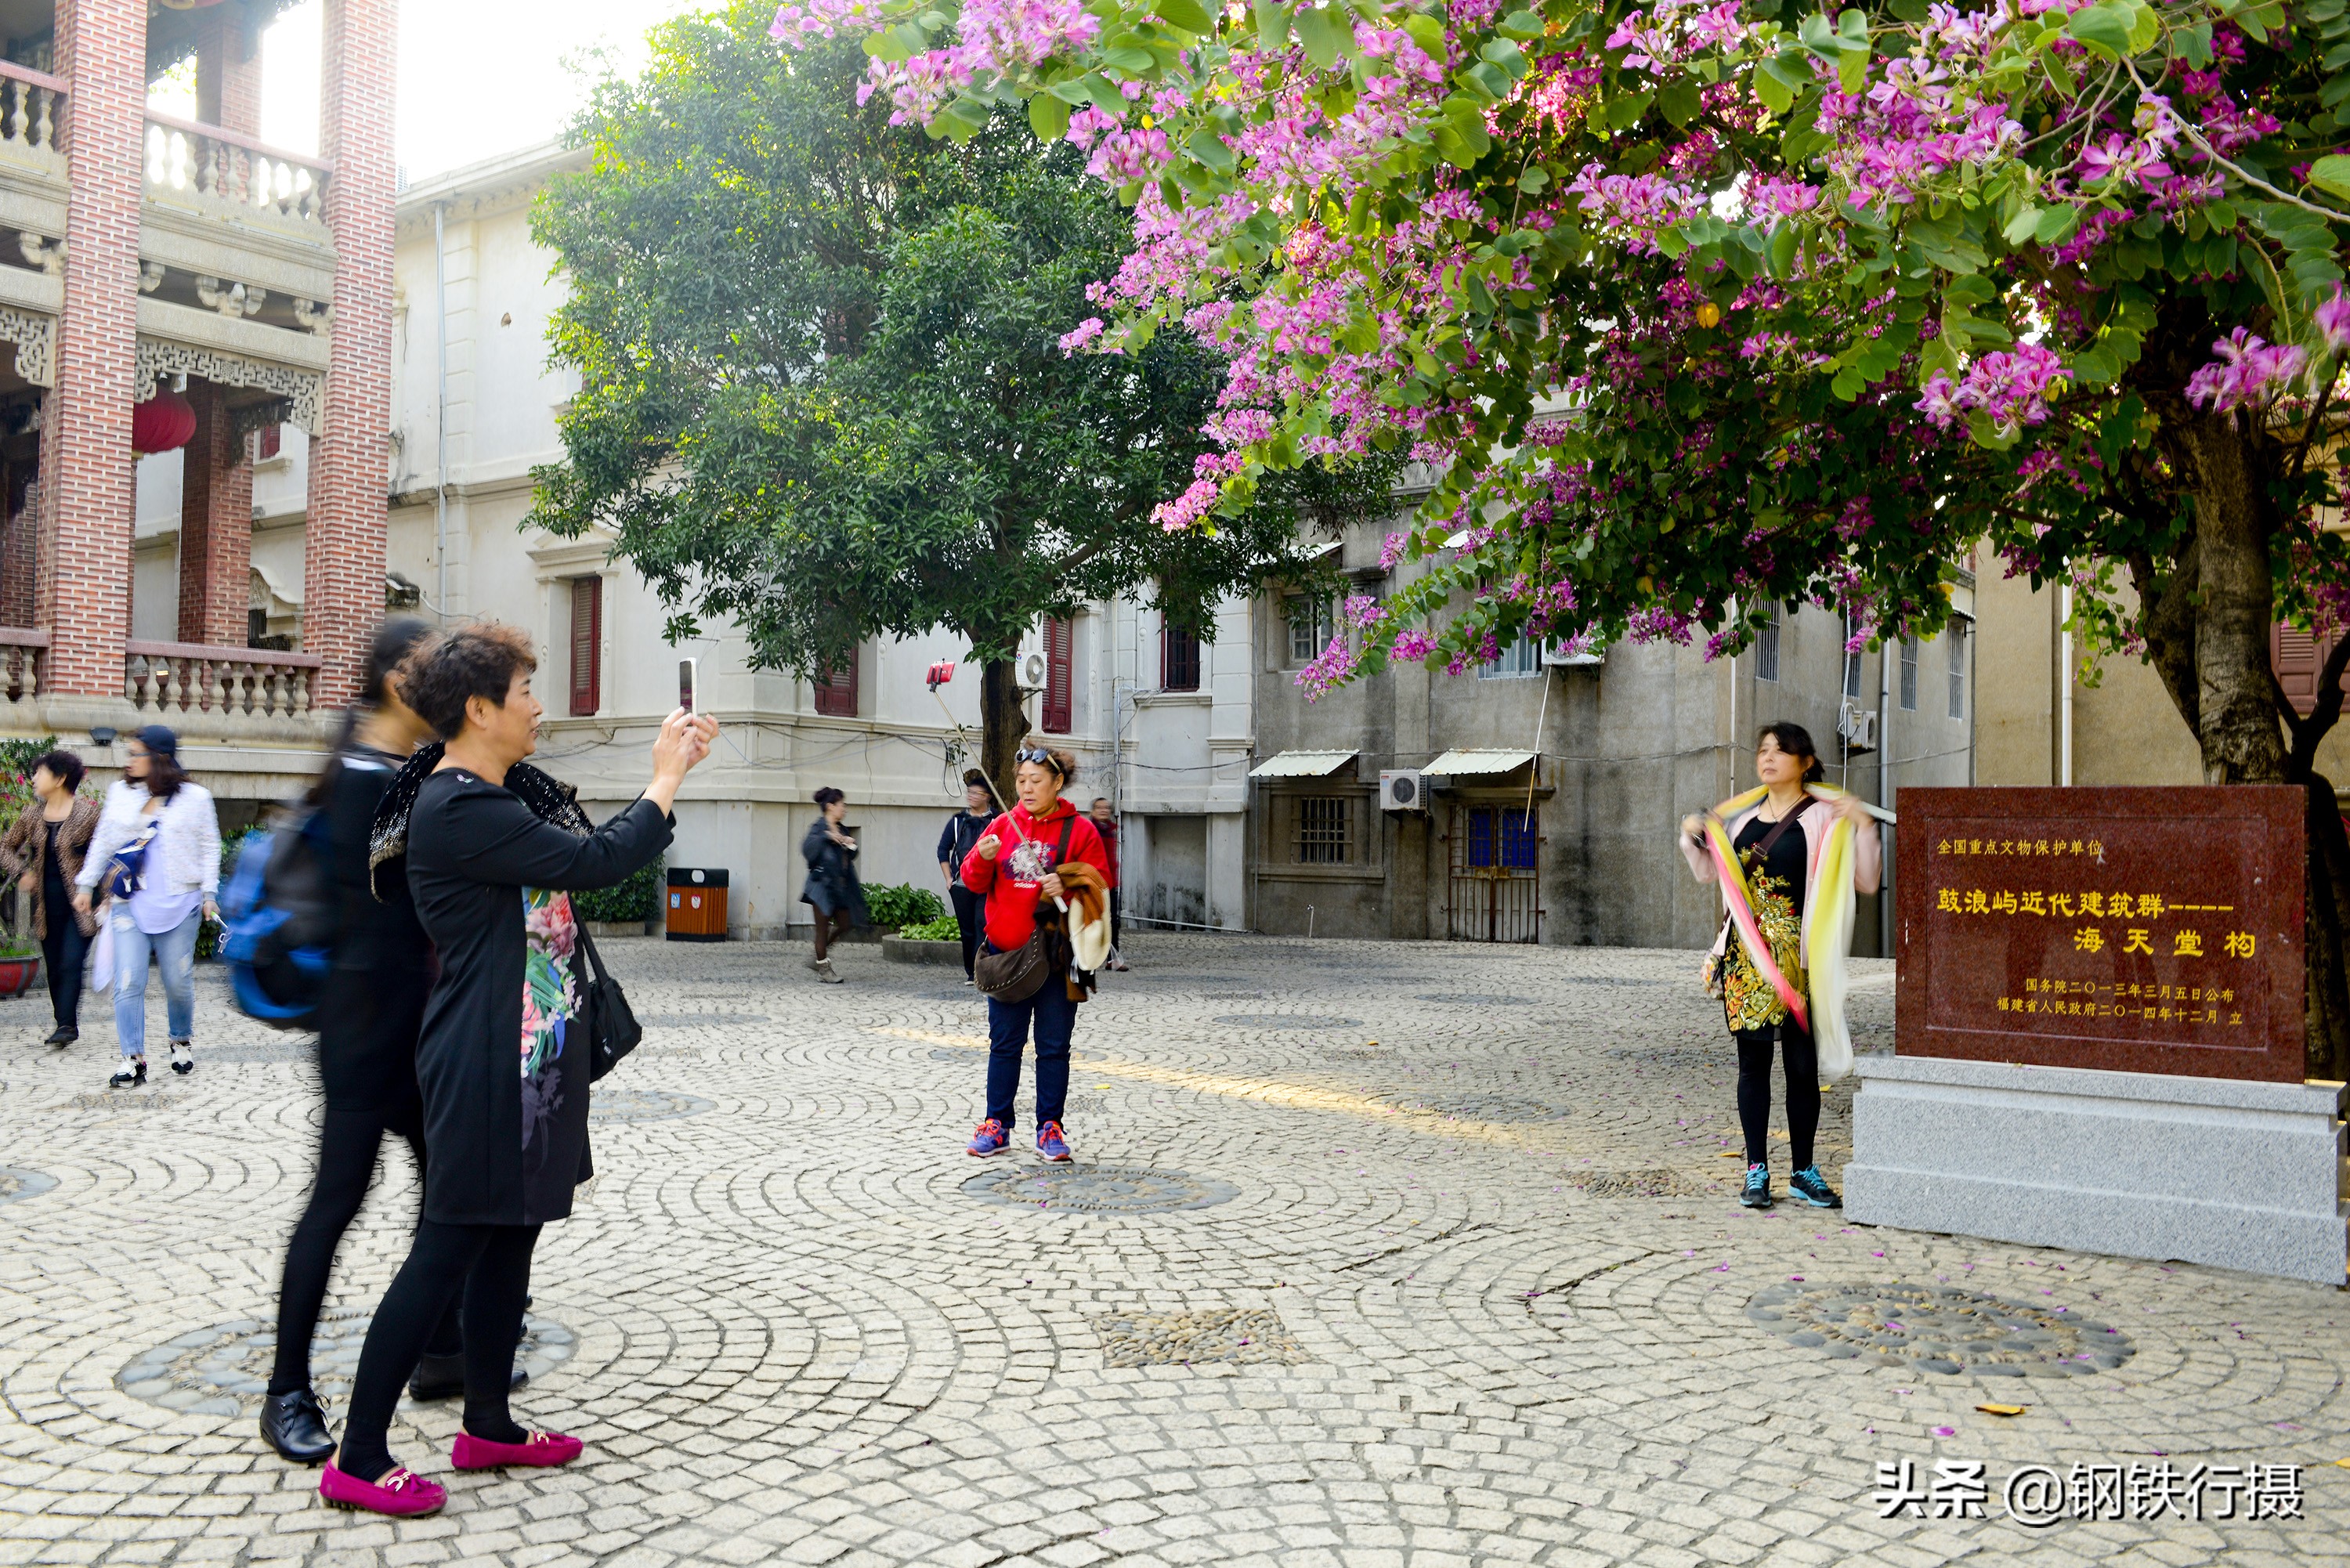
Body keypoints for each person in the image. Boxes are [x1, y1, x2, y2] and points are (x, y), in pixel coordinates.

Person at [318, 623, 715, 1517]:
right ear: (478, 708)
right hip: (485, 1060)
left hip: (531, 1060)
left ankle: (489, 1423)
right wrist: (666, 771)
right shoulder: (458, 805)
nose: (541, 704)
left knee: (511, 1239)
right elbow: (599, 860)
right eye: (527, 690)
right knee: (448, 1250)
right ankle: (358, 1454)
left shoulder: (496, 795)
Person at [262, 618, 493, 1466]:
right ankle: (286, 1387)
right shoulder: (366, 775)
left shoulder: (394, 768)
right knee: (337, 1201)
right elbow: (399, 911)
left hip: (411, 1027)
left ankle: (440, 1348)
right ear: (400, 680)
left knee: (449, 1194)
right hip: (366, 1030)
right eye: (435, 677)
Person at [1679, 722, 1881, 1212]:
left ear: (1806, 761)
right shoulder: (1739, 817)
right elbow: (1710, 873)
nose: (1768, 758)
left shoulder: (1825, 818)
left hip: (1799, 958)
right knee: (1753, 1063)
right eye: (1762, 749)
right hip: (1748, 957)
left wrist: (1864, 826)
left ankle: (1804, 1170)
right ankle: (1755, 1169)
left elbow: (1867, 881)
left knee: (1800, 1064)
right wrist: (1694, 837)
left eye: (1781, 751)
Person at [960, 745, 1110, 1163]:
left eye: (1036, 781)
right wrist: (980, 857)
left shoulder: (1080, 830)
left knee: (1053, 1045)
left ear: (1057, 783)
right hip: (1008, 956)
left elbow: (1101, 885)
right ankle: (997, 1124)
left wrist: (1067, 883)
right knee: (1004, 1044)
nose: (1026, 788)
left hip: (1061, 959)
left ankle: (1050, 1126)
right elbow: (971, 882)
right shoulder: (1004, 826)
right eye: (1021, 781)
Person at [75, 726, 220, 1087]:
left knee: (177, 980)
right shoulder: (120, 794)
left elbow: (209, 846)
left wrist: (209, 894)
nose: (129, 761)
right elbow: (103, 840)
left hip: (180, 902)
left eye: (135, 754)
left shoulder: (196, 798)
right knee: (129, 981)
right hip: (129, 901)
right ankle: (133, 1058)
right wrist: (86, 884)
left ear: (160, 758)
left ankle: (180, 1040)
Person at [1, 750, 99, 1046]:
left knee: (71, 962)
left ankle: (67, 1025)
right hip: (46, 906)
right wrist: (21, 872)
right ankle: (63, 1021)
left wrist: (104, 898)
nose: (33, 779)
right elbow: (5, 847)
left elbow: (104, 856)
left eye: (39, 773)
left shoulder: (88, 814)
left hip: (81, 906)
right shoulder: (32, 815)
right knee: (55, 967)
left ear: (59, 778)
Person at [801, 786, 868, 984]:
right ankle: (824, 968)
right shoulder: (818, 827)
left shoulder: (842, 828)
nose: (844, 809)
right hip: (821, 885)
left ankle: (819, 956)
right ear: (831, 806)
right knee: (821, 929)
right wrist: (827, 837)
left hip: (840, 887)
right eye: (842, 805)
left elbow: (851, 855)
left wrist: (850, 844)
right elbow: (808, 849)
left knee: (846, 923)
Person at [937, 772, 996, 985]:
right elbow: (943, 850)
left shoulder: (997, 820)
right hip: (961, 884)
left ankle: (981, 970)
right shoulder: (957, 821)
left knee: (983, 923)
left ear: (987, 796)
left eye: (976, 793)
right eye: (969, 792)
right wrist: (948, 879)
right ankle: (970, 972)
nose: (971, 796)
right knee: (967, 929)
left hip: (988, 884)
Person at [1088, 797, 1128, 971]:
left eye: (1106, 808)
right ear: (1093, 811)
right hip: (1093, 882)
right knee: (1092, 922)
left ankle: (1113, 958)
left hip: (1110, 882)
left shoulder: (1111, 830)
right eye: (1099, 808)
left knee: (1113, 921)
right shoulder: (1090, 830)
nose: (1104, 811)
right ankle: (1088, 957)